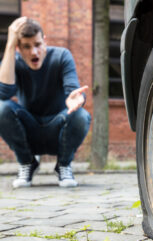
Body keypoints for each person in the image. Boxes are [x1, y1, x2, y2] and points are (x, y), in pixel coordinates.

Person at [0, 17, 91, 188]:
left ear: (45, 41)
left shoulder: (61, 56)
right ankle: (27, 163)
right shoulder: (14, 62)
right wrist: (10, 45)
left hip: (57, 128)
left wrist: (78, 99)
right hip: (29, 130)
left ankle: (64, 165)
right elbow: (4, 93)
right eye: (26, 47)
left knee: (81, 115)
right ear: (18, 48)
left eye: (37, 44)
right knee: (1, 108)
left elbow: (74, 90)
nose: (34, 52)